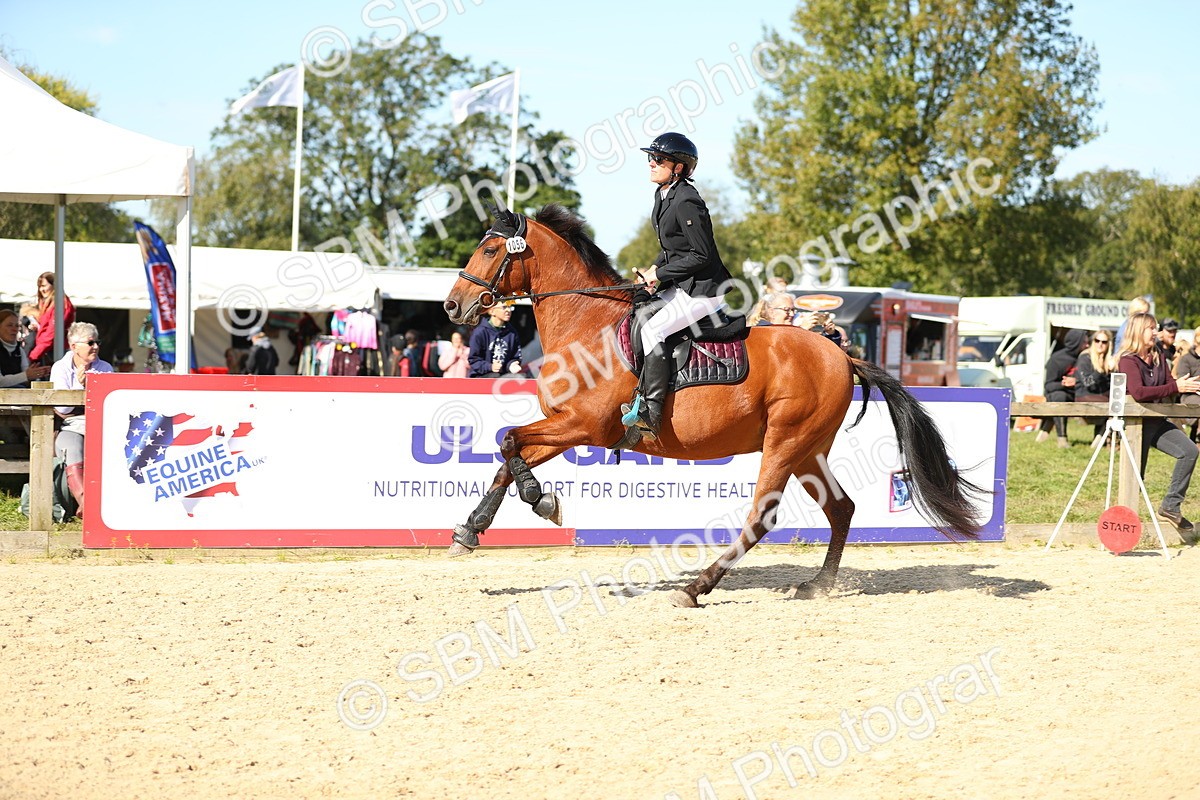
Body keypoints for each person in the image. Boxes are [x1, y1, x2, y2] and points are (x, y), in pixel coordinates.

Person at [621, 132, 733, 441]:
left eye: (658, 160)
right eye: (650, 158)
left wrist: (661, 274)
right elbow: (672, 249)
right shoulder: (663, 195)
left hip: (704, 289)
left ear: (679, 168)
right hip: (683, 283)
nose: (651, 164)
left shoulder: (687, 200)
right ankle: (639, 392)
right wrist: (652, 270)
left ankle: (651, 412)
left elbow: (701, 254)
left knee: (653, 331)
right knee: (639, 313)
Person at [1117, 312, 1200, 538]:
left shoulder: (1158, 356)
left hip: (1156, 421)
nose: (1156, 332)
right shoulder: (1127, 359)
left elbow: (1168, 385)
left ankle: (1171, 505)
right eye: (1151, 328)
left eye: (1156, 328)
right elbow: (1139, 392)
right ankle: (1123, 529)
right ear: (1137, 331)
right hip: (1134, 426)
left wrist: (1187, 386)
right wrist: (1176, 387)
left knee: (1189, 451)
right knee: (1136, 476)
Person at [50, 322, 114, 516]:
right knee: (73, 449)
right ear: (74, 346)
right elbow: (62, 407)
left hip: (101, 424)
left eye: (97, 342)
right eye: (90, 342)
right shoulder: (60, 367)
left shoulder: (105, 367)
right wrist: (80, 386)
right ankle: (86, 503)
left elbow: (109, 402)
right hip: (71, 424)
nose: (95, 346)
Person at [1036, 329, 1088, 447]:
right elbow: (1048, 385)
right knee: (1059, 396)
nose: (1088, 345)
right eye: (1084, 342)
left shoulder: (1085, 357)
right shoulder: (1057, 359)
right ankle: (1062, 439)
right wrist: (1064, 384)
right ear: (1076, 343)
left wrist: (1077, 382)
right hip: (1059, 395)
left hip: (1080, 393)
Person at [28, 271, 75, 366]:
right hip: (46, 350)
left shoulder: (61, 304)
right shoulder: (49, 304)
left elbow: (51, 333)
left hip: (55, 351)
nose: (41, 289)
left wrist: (33, 356)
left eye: (44, 286)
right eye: (39, 286)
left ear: (54, 285)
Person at [1074, 331, 1113, 445]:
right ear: (1093, 342)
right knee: (1113, 406)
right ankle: (1101, 441)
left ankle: (1102, 439)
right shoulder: (1085, 357)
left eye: (1104, 342)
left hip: (1101, 397)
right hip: (1084, 396)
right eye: (1097, 341)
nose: (1100, 344)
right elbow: (1087, 383)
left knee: (1118, 403)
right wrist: (1099, 371)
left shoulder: (1109, 360)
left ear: (1108, 344)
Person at [0, 309, 51, 388]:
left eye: (17, 326)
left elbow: (25, 378)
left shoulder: (20, 351)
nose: (14, 329)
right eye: (9, 325)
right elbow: (1, 382)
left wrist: (35, 374)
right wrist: (26, 375)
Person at [468, 304, 523, 377]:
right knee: (495, 376)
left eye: (510, 307)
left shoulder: (512, 332)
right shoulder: (480, 332)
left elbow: (515, 356)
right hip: (481, 377)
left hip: (504, 376)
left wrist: (512, 365)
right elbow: (473, 359)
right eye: (504, 307)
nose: (508, 310)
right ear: (492, 311)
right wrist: (490, 367)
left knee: (522, 377)